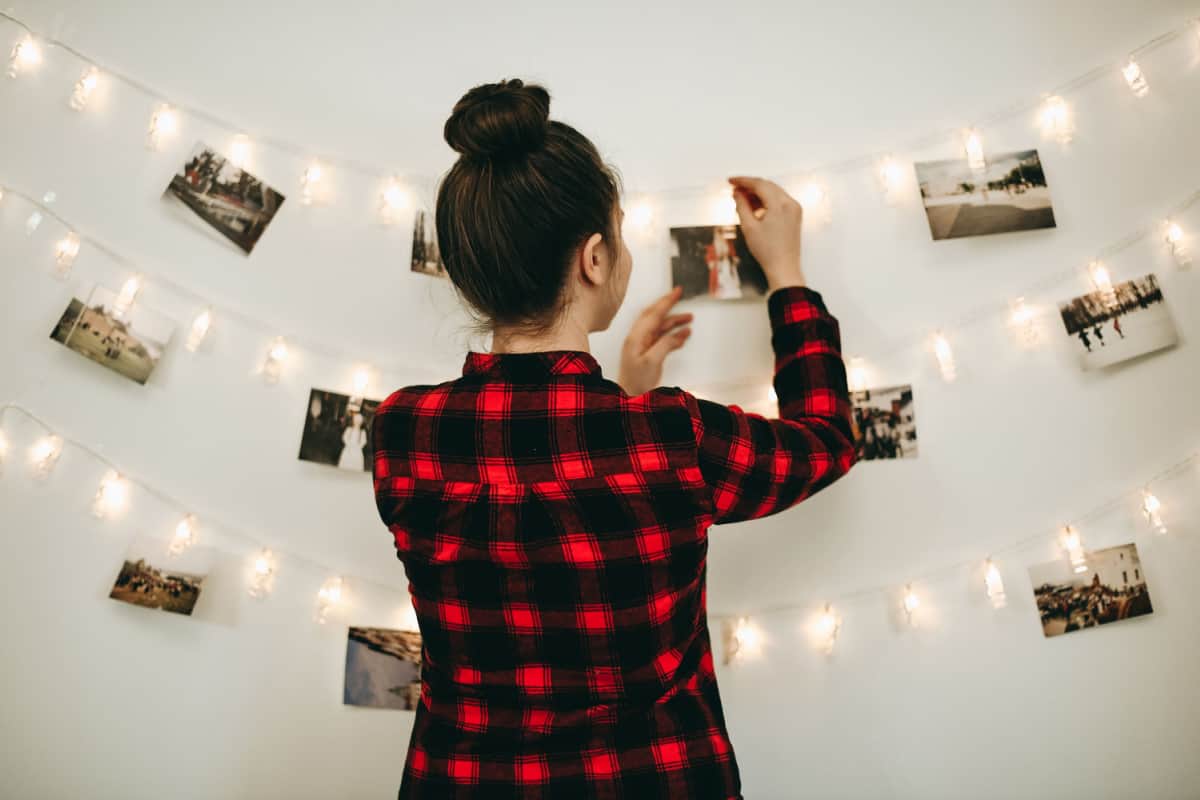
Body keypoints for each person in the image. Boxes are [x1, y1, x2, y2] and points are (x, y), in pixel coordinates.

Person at [371, 80, 857, 799]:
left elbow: (537, 503)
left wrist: (625, 393)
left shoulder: (402, 433)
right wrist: (785, 275)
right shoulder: (672, 437)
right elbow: (825, 440)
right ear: (595, 258)